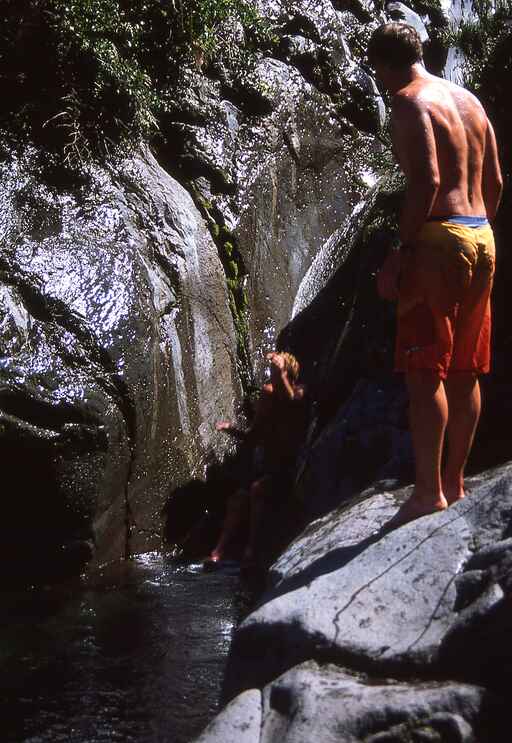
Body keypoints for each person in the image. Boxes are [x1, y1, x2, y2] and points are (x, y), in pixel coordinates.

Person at [368, 22, 503, 527]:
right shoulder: (469, 100)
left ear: (382, 65)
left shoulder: (407, 100)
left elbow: (425, 180)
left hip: (438, 240)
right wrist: (479, 231)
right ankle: (455, 481)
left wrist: (402, 252)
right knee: (467, 369)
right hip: (482, 233)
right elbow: (494, 181)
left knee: (426, 371)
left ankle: (428, 493)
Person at [204, 351, 307, 569]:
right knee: (238, 499)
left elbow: (289, 400)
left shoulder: (298, 393)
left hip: (292, 471)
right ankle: (218, 552)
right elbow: (253, 437)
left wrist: (280, 373)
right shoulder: (268, 404)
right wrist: (232, 430)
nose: (262, 400)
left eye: (275, 374)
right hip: (268, 470)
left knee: (258, 490)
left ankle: (252, 550)